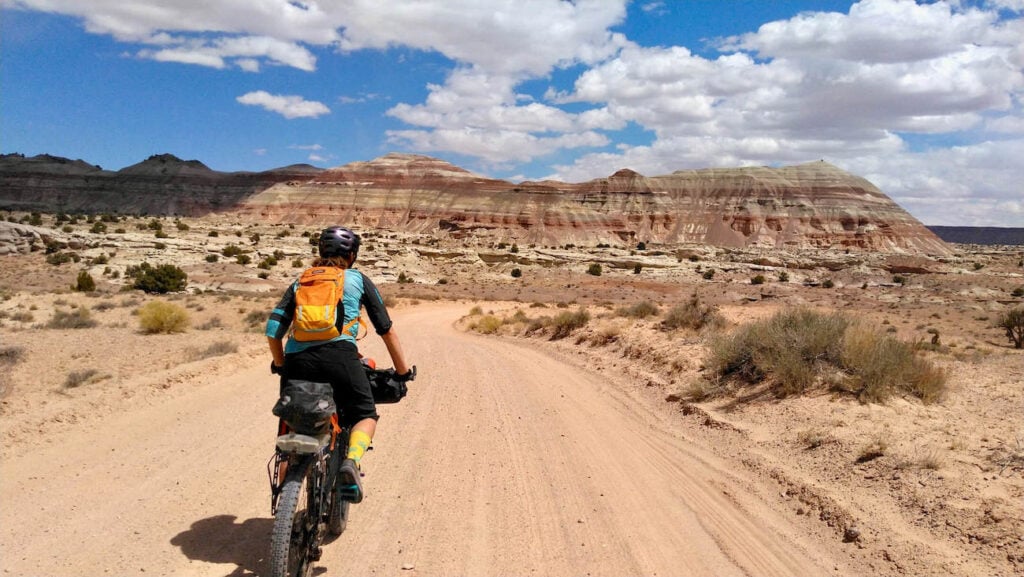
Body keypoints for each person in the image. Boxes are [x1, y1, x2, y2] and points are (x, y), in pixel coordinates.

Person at [265, 225, 413, 502]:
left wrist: (281, 364)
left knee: (294, 425)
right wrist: (403, 373)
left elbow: (273, 330)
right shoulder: (357, 279)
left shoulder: (302, 281)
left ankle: (284, 501)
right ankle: (351, 462)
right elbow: (386, 329)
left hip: (297, 361)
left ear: (321, 251)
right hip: (340, 358)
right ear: (353, 255)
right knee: (364, 414)